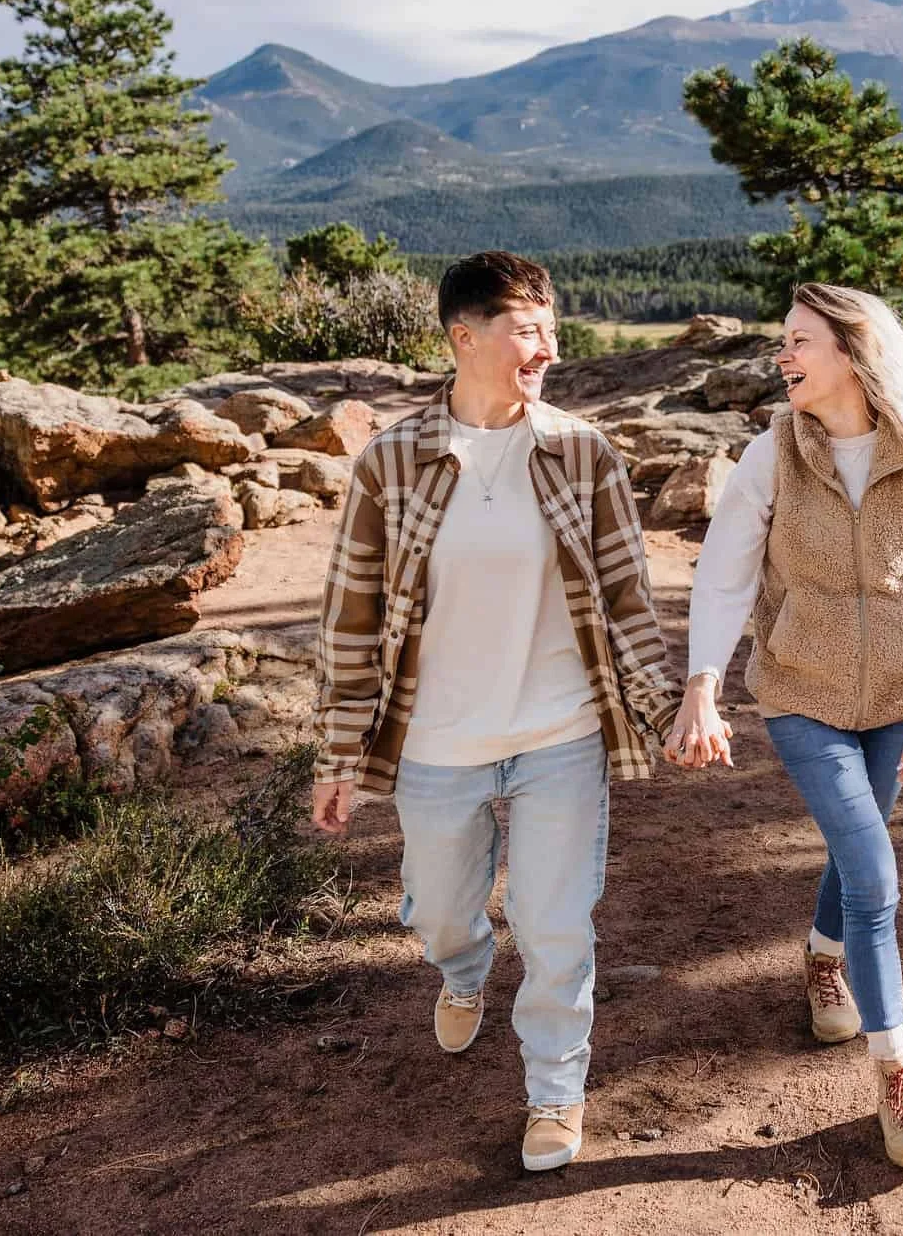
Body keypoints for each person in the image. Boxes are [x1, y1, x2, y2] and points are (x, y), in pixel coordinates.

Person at [310, 250, 682, 1173]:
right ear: (462, 338)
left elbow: (628, 597)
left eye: (552, 327)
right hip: (437, 741)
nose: (547, 347)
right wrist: (337, 752)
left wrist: (666, 706)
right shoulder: (391, 462)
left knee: (557, 926)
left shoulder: (581, 451)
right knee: (441, 909)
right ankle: (463, 967)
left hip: (561, 734)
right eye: (527, 329)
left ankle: (555, 1093)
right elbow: (350, 615)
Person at [666, 281, 903, 1168]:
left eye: (799, 341)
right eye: (783, 342)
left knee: (856, 847)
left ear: (853, 352)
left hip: (897, 699)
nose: (783, 356)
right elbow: (724, 576)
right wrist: (703, 689)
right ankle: (899, 1072)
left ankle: (821, 957)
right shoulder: (774, 453)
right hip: (800, 691)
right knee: (875, 874)